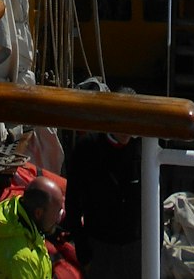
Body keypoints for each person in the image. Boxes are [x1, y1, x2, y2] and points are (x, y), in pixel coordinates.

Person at [63, 103, 142, 279]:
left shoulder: (145, 149)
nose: (126, 131)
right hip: (99, 248)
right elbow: (73, 204)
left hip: (136, 249)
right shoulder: (87, 150)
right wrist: (84, 254)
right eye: (121, 124)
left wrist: (155, 248)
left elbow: (155, 203)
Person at [0, 175, 65, 279]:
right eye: (56, 212)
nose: (58, 219)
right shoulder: (24, 261)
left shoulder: (8, 216)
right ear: (38, 213)